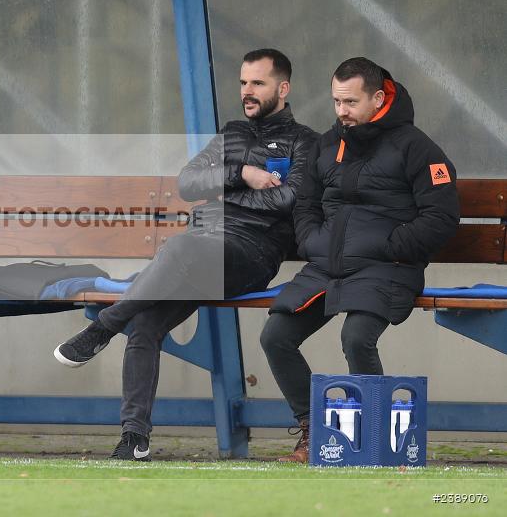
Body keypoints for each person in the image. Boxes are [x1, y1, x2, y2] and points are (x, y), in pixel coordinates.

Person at [54, 49, 318, 460]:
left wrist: (228, 194)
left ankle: (103, 326)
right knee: (145, 322)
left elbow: (289, 199)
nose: (247, 91)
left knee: (180, 244)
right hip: (198, 252)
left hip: (249, 255)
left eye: (258, 83)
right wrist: (241, 174)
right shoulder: (231, 133)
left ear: (282, 88)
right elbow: (189, 183)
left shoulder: (304, 141)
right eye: (243, 82)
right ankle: (134, 436)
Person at [261, 57, 460, 463]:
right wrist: (313, 241)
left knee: (355, 338)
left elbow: (441, 217)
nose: (341, 112)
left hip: (387, 268)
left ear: (379, 98)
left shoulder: (418, 148)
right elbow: (305, 204)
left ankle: (373, 441)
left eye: (350, 102)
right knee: (276, 336)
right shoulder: (328, 144)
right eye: (336, 102)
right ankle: (313, 432)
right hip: (326, 265)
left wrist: (392, 246)